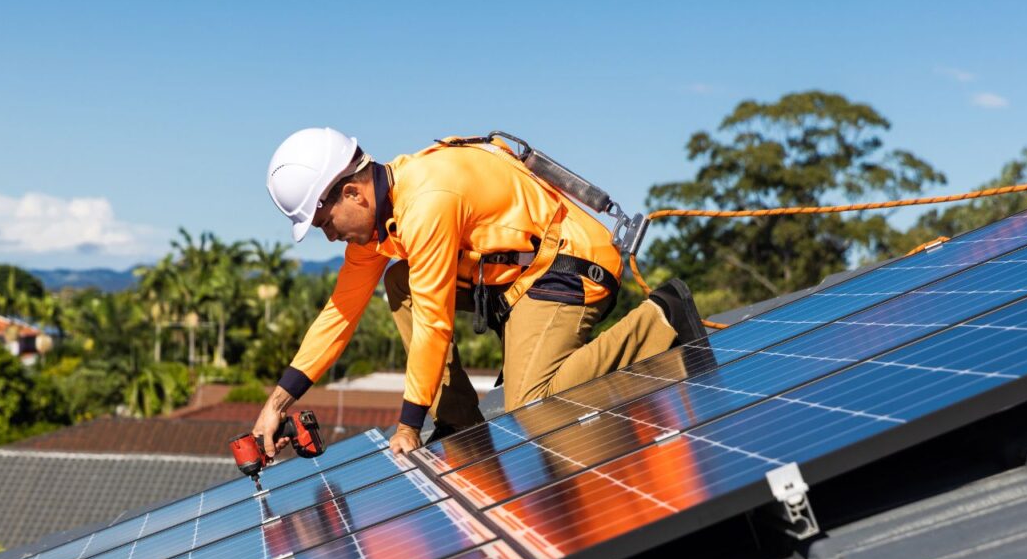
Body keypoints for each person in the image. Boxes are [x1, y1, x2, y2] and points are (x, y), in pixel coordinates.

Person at [251, 127, 704, 456]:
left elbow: (434, 320)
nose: (329, 237)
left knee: (533, 404)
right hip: (516, 283)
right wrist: (277, 404)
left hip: (568, 267)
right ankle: (459, 422)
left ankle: (661, 317)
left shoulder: (427, 201)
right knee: (398, 280)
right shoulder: (381, 225)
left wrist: (409, 424)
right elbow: (340, 313)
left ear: (353, 193)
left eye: (325, 222)